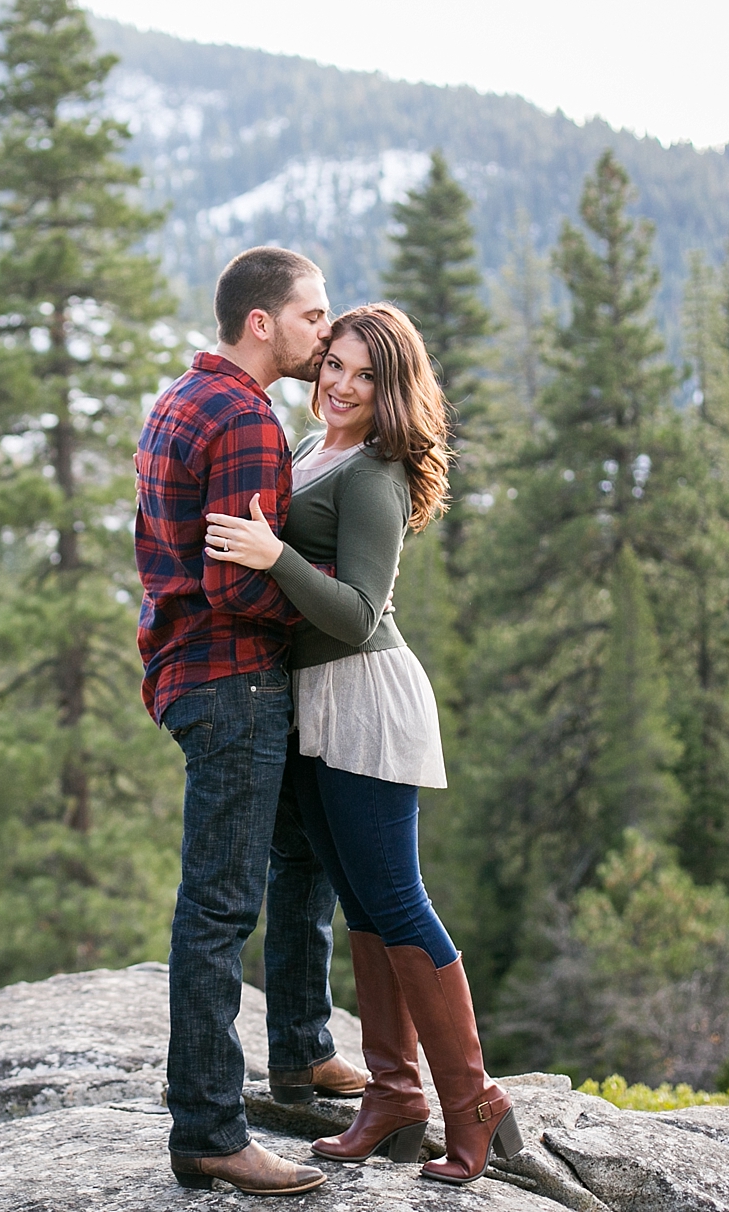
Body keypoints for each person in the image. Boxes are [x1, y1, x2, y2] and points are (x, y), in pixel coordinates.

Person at [204, 303, 523, 1186]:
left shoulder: (375, 471)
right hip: (314, 704)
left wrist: (273, 556)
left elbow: (356, 613)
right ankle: (395, 1097)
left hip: (364, 698)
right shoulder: (315, 450)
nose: (341, 385)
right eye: (334, 365)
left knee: (398, 901)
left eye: (366, 376)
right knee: (365, 909)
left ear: (394, 390)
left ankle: (475, 1103)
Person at [135, 247, 366, 1197]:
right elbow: (236, 585)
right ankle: (209, 1130)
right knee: (220, 905)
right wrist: (331, 600)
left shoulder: (181, 398)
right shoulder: (243, 419)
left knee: (298, 856)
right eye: (313, 316)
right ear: (262, 323)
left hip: (197, 672)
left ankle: (303, 1049)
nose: (326, 330)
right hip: (233, 680)